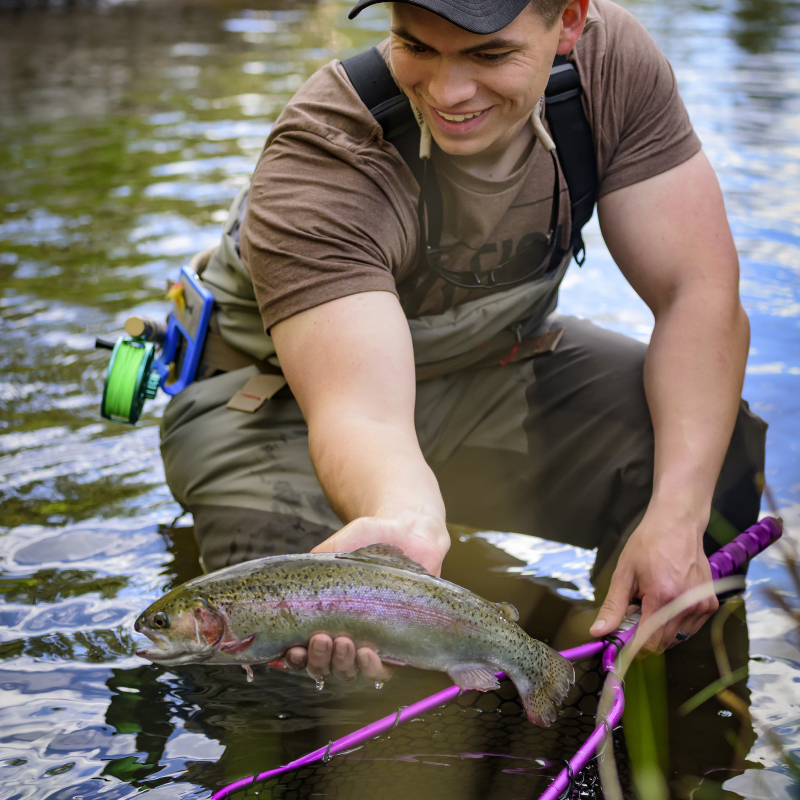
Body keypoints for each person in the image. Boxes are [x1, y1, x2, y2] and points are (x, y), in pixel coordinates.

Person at [160, 0, 766, 687]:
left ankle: (646, 721)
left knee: (711, 458)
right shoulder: (325, 151)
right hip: (278, 413)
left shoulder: (610, 66)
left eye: (488, 55)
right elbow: (360, 412)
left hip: (487, 374)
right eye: (416, 45)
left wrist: (678, 518)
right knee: (283, 667)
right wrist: (405, 522)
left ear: (568, 21)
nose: (448, 93)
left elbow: (699, 295)